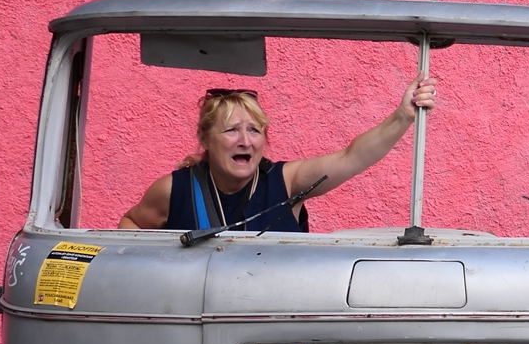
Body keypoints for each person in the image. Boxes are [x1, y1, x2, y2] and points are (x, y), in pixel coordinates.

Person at [117, 78, 438, 231]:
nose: (245, 140)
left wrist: (403, 116)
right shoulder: (174, 191)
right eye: (231, 130)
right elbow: (129, 224)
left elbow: (351, 158)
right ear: (205, 138)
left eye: (254, 130)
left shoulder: (286, 182)